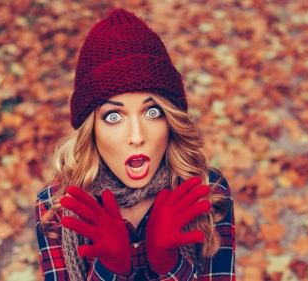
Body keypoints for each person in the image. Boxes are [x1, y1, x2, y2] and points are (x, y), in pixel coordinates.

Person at [35, 9, 235, 281]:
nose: (137, 136)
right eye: (113, 116)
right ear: (90, 129)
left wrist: (170, 265)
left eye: (152, 112)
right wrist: (110, 270)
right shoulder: (56, 205)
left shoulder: (206, 191)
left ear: (171, 119)